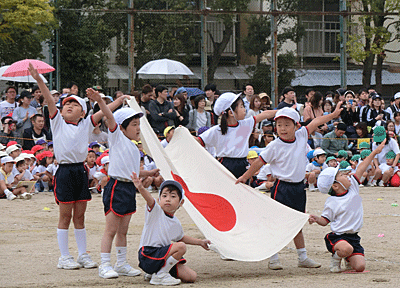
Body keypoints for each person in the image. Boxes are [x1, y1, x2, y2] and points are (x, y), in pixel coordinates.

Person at [29, 63, 126, 271]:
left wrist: (120, 99)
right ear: (61, 111)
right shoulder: (57, 122)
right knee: (65, 216)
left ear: (83, 112)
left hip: (80, 171)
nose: (69, 106)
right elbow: (47, 97)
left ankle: (82, 254)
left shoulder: (86, 124)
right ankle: (64, 256)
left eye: (75, 104)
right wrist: (39, 80)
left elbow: (106, 111)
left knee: (80, 215)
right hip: (64, 171)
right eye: (66, 104)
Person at [236, 103, 343, 270]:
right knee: (276, 223)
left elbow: (316, 122)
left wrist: (334, 114)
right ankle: (273, 257)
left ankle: (302, 257)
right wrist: (244, 177)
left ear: (296, 125)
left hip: (299, 188)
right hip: (281, 187)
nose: (282, 129)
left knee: (297, 223)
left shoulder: (301, 136)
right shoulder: (274, 146)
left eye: (287, 125)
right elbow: (258, 162)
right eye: (279, 125)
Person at [85, 88, 161, 279]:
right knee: (110, 229)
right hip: (116, 187)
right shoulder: (117, 137)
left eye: (138, 124)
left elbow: (133, 171)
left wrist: (149, 172)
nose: (138, 128)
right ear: (122, 127)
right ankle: (104, 264)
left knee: (123, 230)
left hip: (129, 188)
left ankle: (121, 263)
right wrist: (102, 101)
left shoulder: (135, 149)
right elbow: (109, 117)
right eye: (134, 124)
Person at [309, 140, 386, 273]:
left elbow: (362, 166)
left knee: (360, 267)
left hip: (353, 237)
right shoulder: (332, 202)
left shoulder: (353, 187)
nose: (348, 175)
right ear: (335, 186)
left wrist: (375, 152)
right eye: (343, 175)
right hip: (338, 237)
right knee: (346, 249)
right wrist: (316, 219)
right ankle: (336, 258)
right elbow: (325, 221)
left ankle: (348, 257)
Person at [131, 175, 211, 285]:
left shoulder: (175, 222)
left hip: (162, 257)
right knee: (181, 247)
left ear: (181, 202)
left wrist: (200, 242)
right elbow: (149, 198)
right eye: (164, 196)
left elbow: (180, 237)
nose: (168, 199)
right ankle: (161, 275)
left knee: (191, 277)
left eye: (173, 196)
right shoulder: (155, 211)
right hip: (148, 255)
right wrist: (140, 188)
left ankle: (157, 272)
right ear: (159, 199)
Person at [196, 92, 277, 179]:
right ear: (231, 112)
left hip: (243, 164)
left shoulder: (245, 124)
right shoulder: (217, 130)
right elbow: (198, 140)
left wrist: (283, 111)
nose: (244, 109)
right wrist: (183, 132)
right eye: (241, 106)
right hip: (225, 165)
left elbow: (264, 114)